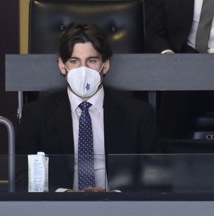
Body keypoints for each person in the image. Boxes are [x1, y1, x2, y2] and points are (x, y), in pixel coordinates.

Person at [17, 22, 159, 192]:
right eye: (74, 61)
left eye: (91, 61)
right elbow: (20, 179)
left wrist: (114, 196)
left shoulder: (139, 114)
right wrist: (65, 195)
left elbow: (157, 178)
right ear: (62, 65)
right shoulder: (36, 115)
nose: (83, 70)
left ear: (105, 65)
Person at [145, 0, 214, 139]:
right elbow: (155, 35)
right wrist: (169, 56)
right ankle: (168, 156)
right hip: (186, 65)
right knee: (178, 78)